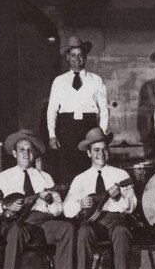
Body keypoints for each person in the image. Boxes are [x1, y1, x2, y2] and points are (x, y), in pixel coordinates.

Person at [0, 129, 75, 269]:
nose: (26, 153)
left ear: (34, 154)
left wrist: (50, 201)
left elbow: (59, 209)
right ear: (14, 154)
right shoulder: (3, 177)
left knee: (67, 228)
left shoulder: (45, 178)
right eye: (22, 149)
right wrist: (6, 208)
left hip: (42, 225)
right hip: (16, 225)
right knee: (15, 229)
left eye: (30, 149)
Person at [64, 128, 137, 269]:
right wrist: (80, 204)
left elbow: (132, 206)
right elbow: (66, 209)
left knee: (121, 230)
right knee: (83, 232)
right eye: (96, 150)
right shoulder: (80, 179)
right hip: (92, 223)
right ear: (89, 153)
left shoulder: (121, 175)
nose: (101, 154)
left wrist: (118, 198)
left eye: (104, 149)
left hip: (115, 220)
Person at [46, 36, 109, 183]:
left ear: (85, 57)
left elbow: (104, 110)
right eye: (73, 55)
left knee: (89, 166)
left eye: (80, 55)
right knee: (67, 168)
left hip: (89, 127)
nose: (77, 59)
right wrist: (52, 134)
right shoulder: (59, 81)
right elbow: (52, 109)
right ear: (68, 57)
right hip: (67, 127)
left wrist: (102, 133)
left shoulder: (96, 80)